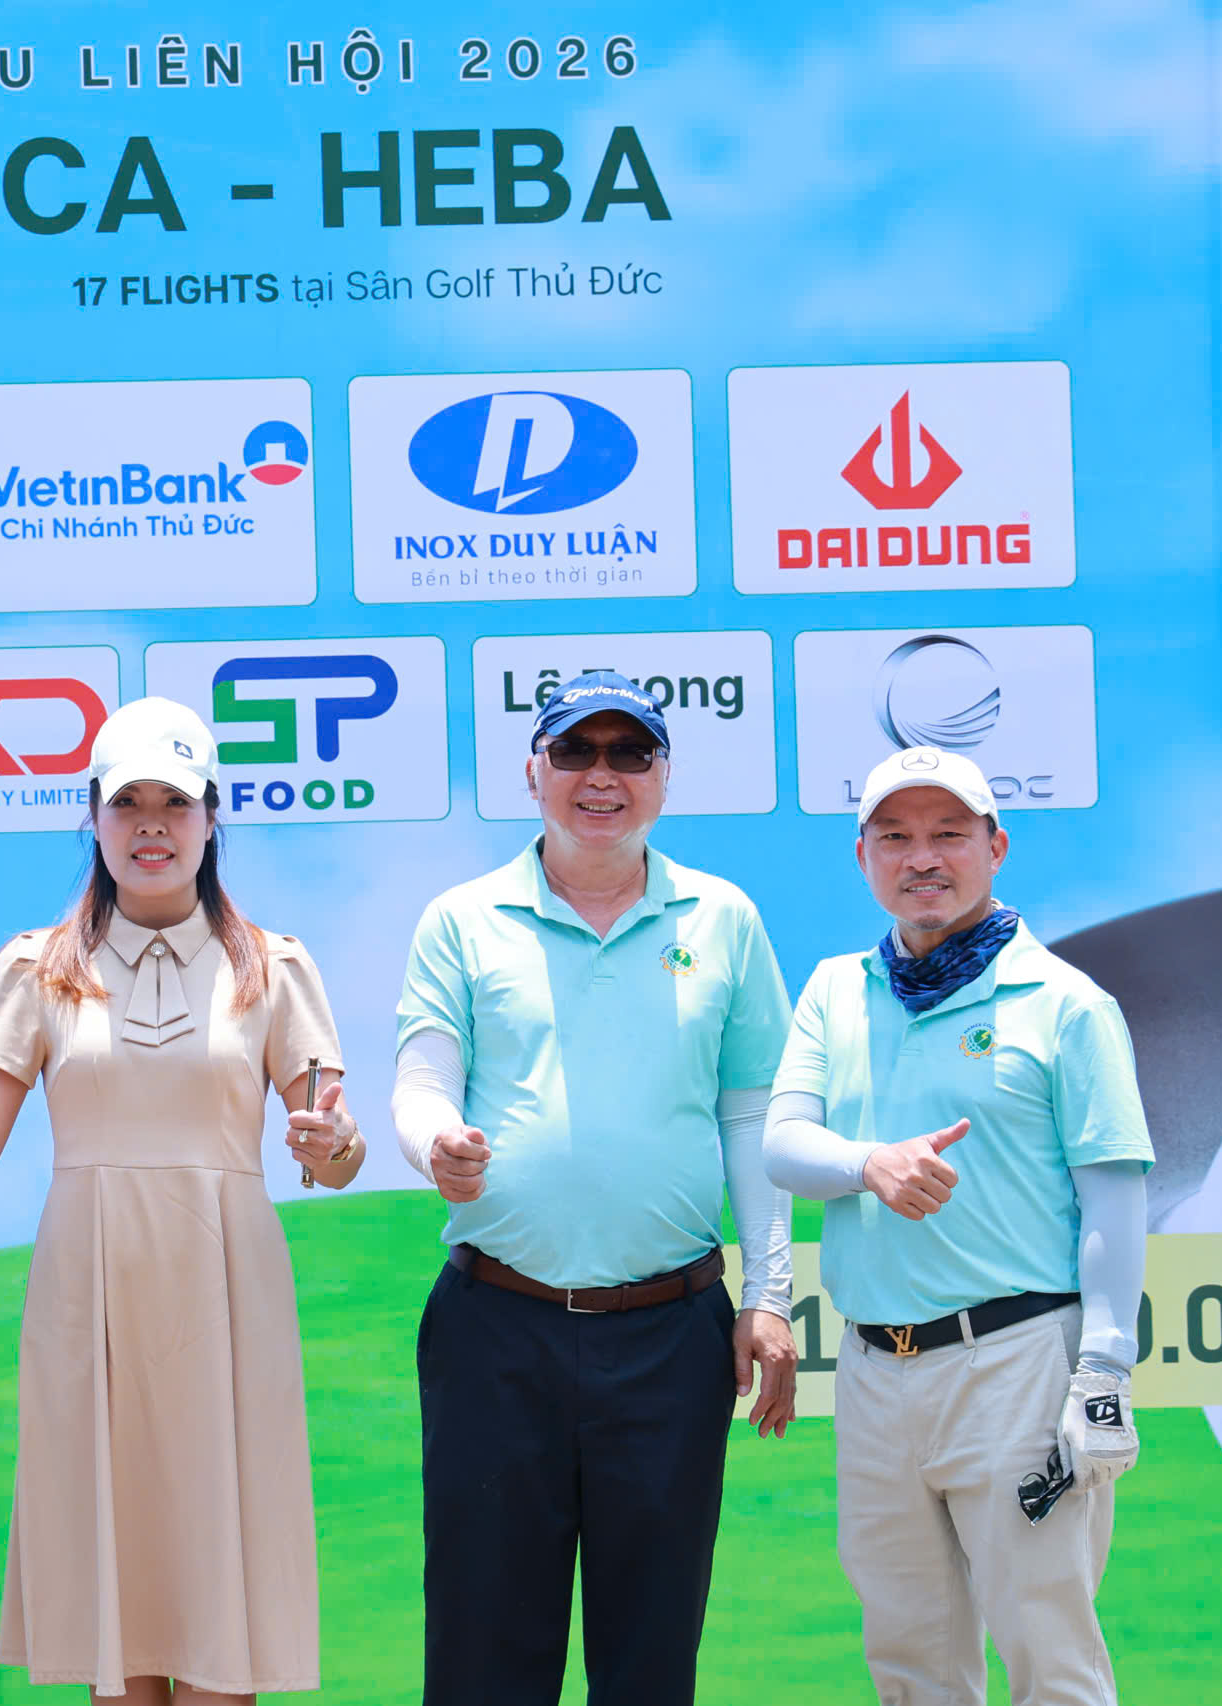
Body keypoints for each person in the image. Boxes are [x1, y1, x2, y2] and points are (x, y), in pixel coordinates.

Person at [0, 696, 360, 1705]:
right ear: (93, 815)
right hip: (90, 1295)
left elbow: (333, 1148)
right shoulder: (35, 965)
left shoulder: (275, 964)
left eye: (176, 801)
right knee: (110, 1603)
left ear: (213, 817)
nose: (152, 825)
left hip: (226, 1291)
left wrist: (334, 1144)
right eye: (128, 802)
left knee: (221, 1599)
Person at [390, 670, 798, 1706]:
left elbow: (752, 1115)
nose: (601, 775)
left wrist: (769, 1295)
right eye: (575, 750)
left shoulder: (724, 917)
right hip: (496, 1327)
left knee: (649, 1660)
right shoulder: (462, 918)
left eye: (629, 752)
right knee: (483, 1661)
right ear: (533, 772)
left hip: (671, 1334)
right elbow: (424, 1077)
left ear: (664, 774)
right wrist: (435, 1142)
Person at [765, 745, 1152, 1704]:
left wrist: (1104, 1371)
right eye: (896, 837)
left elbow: (1112, 1195)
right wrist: (871, 1164)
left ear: (995, 847)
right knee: (910, 1662)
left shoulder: (1066, 1004)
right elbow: (784, 1144)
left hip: (1017, 1364)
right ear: (864, 856)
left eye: (948, 834)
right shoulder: (835, 989)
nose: (922, 858)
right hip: (873, 1369)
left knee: (1050, 1657)